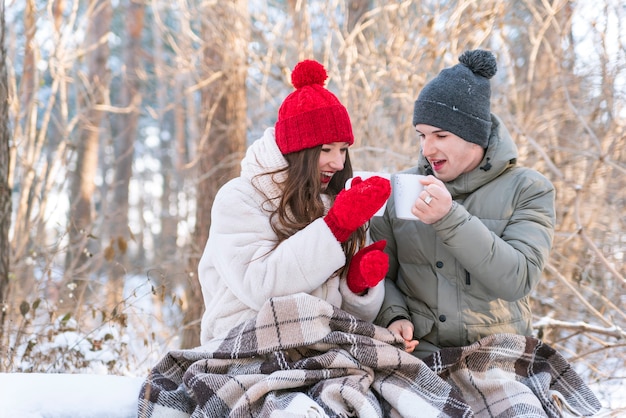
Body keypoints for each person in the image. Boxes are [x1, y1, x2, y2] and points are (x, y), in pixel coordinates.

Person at [370, 49, 556, 359]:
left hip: (499, 353)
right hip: (421, 354)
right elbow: (380, 273)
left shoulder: (529, 188)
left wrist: (448, 218)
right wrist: (394, 315)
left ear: (474, 136)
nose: (428, 148)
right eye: (421, 135)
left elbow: (518, 279)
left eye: (440, 135)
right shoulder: (400, 188)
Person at [197, 59, 391, 344]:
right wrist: (335, 227)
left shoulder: (334, 201)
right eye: (326, 149)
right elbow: (261, 286)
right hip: (244, 342)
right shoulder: (238, 198)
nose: (338, 163)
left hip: (318, 342)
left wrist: (357, 285)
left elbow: (337, 315)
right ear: (298, 150)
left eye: (343, 150)